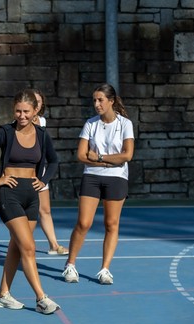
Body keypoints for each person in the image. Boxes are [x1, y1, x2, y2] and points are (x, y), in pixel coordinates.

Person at [0, 89, 61, 315]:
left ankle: (3, 295)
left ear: (35, 111)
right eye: (18, 111)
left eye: (26, 111)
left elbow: (54, 160)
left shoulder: (41, 134)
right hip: (9, 194)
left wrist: (44, 180)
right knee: (29, 247)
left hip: (32, 195)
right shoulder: (5, 132)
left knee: (17, 247)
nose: (21, 115)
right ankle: (41, 298)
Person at [62, 83, 135, 285]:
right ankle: (70, 265)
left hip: (117, 178)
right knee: (84, 223)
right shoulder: (90, 124)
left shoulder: (125, 124)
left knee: (111, 224)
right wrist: (106, 161)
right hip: (92, 176)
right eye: (94, 100)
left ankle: (105, 269)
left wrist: (100, 157)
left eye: (100, 100)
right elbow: (81, 155)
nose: (96, 104)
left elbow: (127, 155)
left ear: (111, 101)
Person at [32, 88, 69, 256]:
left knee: (45, 210)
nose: (36, 104)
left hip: (40, 172)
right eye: (33, 101)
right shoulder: (20, 121)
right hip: (24, 173)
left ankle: (53, 244)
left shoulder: (42, 121)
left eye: (38, 102)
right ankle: (19, 245)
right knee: (24, 214)